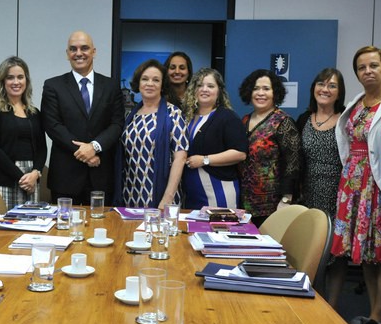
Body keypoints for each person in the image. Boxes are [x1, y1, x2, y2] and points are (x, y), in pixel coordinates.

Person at [327, 46, 381, 324]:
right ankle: (378, 316)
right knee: (365, 251)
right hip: (353, 182)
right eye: (362, 67)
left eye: (374, 65)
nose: (368, 71)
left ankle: (376, 317)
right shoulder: (355, 103)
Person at [41, 31, 125, 205]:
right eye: (73, 49)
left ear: (94, 51)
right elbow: (53, 125)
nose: (78, 53)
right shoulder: (53, 86)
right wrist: (84, 153)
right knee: (63, 230)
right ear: (67, 54)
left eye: (84, 48)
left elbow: (117, 124)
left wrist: (94, 147)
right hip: (65, 177)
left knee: (101, 229)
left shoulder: (111, 86)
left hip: (101, 174)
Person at [116, 59, 188, 209]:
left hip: (162, 196)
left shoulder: (173, 113)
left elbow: (180, 159)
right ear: (138, 83)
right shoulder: (130, 115)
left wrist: (167, 199)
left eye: (156, 80)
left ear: (162, 85)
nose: (150, 83)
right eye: (145, 79)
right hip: (130, 194)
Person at [237, 69, 300, 226]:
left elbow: (293, 162)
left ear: (275, 93)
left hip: (271, 206)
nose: (260, 93)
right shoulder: (244, 120)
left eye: (266, 89)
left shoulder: (283, 122)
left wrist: (286, 199)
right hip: (243, 204)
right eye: (256, 88)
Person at [0, 57, 47, 206]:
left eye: (20, 77)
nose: (16, 82)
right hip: (5, 180)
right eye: (10, 77)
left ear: (26, 80)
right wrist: (21, 177)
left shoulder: (34, 112)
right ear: (3, 81)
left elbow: (42, 148)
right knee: (5, 226)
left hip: (31, 179)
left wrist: (35, 173)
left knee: (30, 225)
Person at [182, 68, 247, 210]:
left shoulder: (227, 117)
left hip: (219, 190)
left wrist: (205, 160)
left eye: (210, 86)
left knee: (218, 230)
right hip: (192, 193)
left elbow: (240, 153)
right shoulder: (187, 117)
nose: (204, 89)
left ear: (219, 91)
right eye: (200, 85)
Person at [295, 68, 346, 218]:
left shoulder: (347, 118)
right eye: (321, 84)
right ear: (313, 88)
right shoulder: (304, 119)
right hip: (308, 193)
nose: (325, 89)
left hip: (340, 193)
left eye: (332, 86)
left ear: (339, 92)